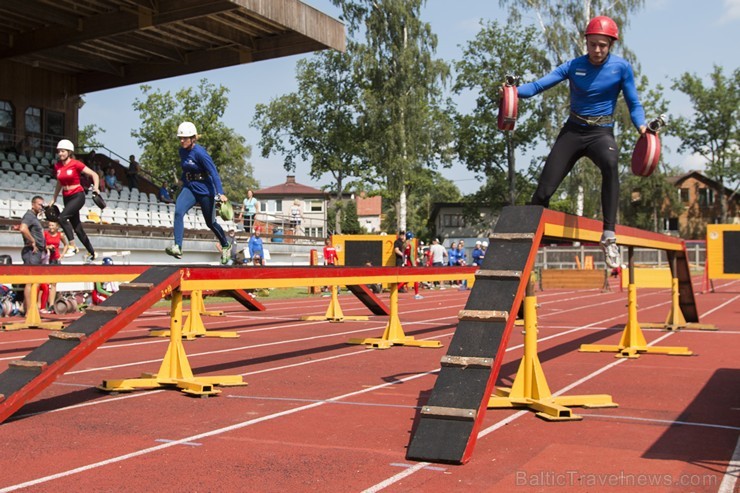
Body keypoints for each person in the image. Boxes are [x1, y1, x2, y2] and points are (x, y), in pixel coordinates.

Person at [516, 16, 647, 269]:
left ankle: (609, 235)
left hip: (601, 133)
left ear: (611, 45)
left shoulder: (621, 68)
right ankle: (529, 240)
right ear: (585, 42)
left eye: (603, 46)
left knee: (610, 164)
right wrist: (511, 91)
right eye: (593, 44)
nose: (597, 50)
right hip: (573, 131)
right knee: (543, 192)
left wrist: (641, 126)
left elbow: (634, 104)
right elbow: (536, 87)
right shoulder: (573, 66)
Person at [165, 121, 232, 264]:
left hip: (205, 189)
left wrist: (220, 193)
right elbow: (186, 169)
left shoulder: (201, 153)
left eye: (185, 138)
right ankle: (178, 246)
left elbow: (213, 172)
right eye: (180, 138)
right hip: (190, 187)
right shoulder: (182, 151)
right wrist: (181, 183)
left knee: (210, 223)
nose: (182, 140)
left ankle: (225, 244)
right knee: (178, 212)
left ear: (193, 138)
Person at [49, 139, 101, 264]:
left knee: (61, 218)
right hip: (66, 196)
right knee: (77, 228)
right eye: (59, 151)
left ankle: (72, 246)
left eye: (62, 151)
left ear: (69, 152)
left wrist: (96, 187)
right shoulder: (58, 166)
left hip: (78, 195)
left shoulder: (76, 163)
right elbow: (59, 183)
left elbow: (95, 175)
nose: (60, 154)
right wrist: (54, 198)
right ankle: (92, 253)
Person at [18, 196, 45, 315]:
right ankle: (29, 311)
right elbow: (23, 228)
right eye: (39, 205)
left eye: (42, 205)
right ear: (33, 204)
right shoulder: (29, 215)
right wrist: (33, 241)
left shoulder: (34, 217)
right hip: (31, 251)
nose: (41, 207)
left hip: (37, 252)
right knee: (30, 281)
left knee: (35, 281)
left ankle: (24, 307)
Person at [42, 220, 68, 312]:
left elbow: (66, 245)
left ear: (56, 226)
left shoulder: (60, 235)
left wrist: (62, 255)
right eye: (49, 225)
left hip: (56, 259)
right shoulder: (45, 234)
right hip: (47, 259)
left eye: (52, 225)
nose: (51, 227)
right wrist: (48, 247)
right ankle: (42, 304)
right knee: (45, 283)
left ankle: (51, 305)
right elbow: (41, 245)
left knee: (53, 283)